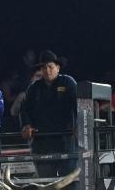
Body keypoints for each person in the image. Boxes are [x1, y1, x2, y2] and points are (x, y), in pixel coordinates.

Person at [19, 51, 78, 181]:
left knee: (68, 181)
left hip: (66, 140)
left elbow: (77, 105)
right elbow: (25, 109)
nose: (47, 70)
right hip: (43, 142)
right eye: (44, 67)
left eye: (50, 66)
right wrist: (26, 125)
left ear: (58, 67)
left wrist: (79, 126)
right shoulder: (34, 88)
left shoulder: (68, 82)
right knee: (45, 182)